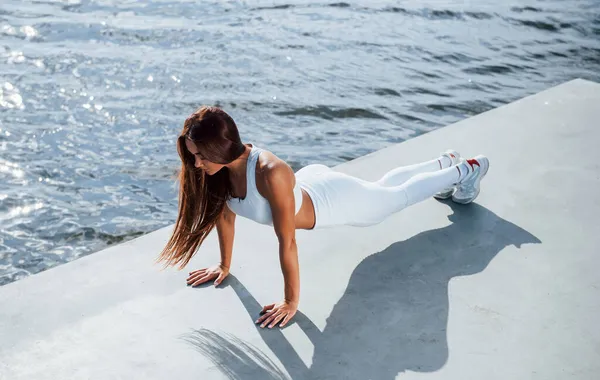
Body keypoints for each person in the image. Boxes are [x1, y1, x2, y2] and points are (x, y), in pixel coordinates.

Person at [158, 106, 489, 329]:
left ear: (219, 148)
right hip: (308, 186)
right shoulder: (221, 171)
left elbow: (287, 241)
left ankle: (466, 169)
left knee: (393, 198)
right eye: (193, 155)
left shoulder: (268, 172)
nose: (196, 164)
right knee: (383, 189)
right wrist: (224, 266)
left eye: (200, 155)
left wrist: (290, 301)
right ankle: (444, 162)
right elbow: (225, 217)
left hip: (333, 201)